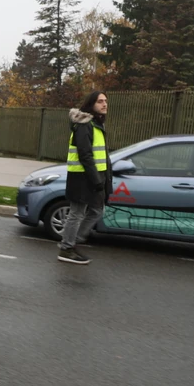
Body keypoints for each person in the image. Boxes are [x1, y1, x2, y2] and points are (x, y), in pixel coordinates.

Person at [58, 91, 112, 264]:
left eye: (105, 101)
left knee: (97, 210)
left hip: (97, 176)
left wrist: (105, 180)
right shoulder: (84, 125)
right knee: (77, 213)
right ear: (91, 104)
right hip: (82, 176)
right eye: (100, 101)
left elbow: (102, 155)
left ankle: (73, 241)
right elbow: (85, 155)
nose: (104, 104)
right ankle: (67, 248)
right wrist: (96, 179)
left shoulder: (97, 124)